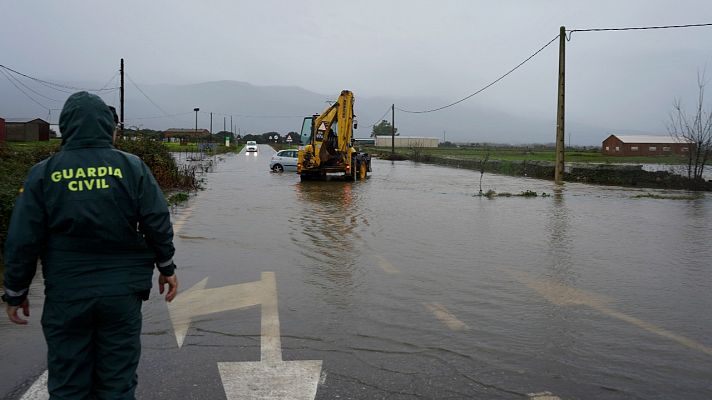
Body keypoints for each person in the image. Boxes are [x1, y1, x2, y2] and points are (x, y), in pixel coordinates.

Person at [2, 91, 178, 399]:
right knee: (117, 382)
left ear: (66, 126)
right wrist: (166, 267)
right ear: (108, 126)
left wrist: (16, 291)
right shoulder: (131, 167)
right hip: (122, 295)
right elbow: (157, 221)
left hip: (68, 294)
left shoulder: (43, 173)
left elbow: (22, 240)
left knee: (69, 384)